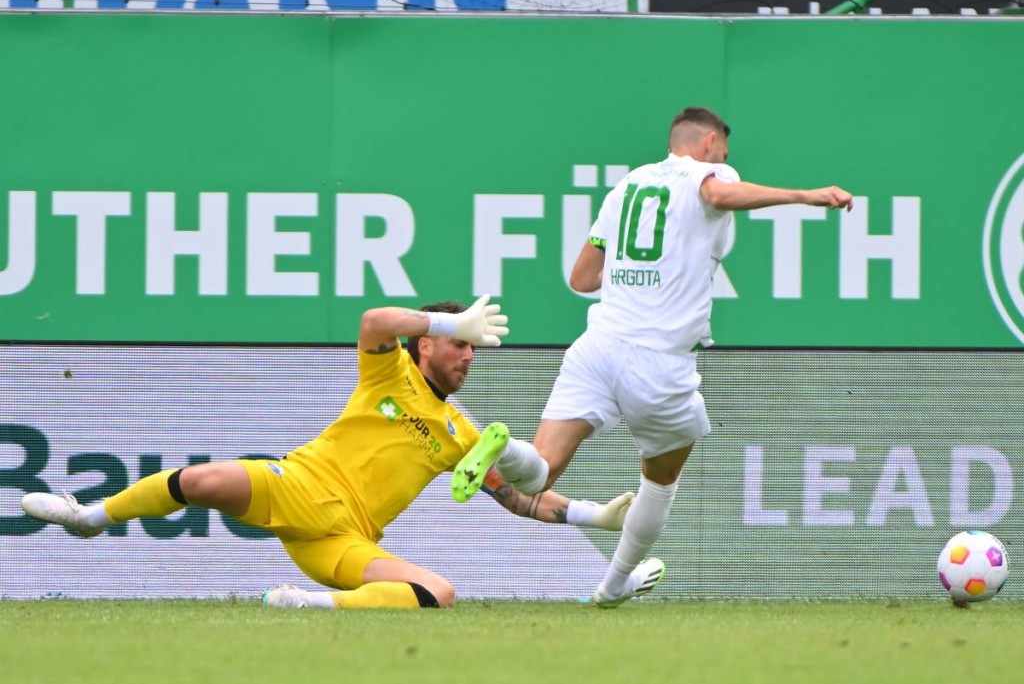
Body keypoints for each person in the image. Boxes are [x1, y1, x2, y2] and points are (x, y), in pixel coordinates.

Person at [452, 106, 854, 608]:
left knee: (539, 471)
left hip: (596, 347)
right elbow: (718, 194)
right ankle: (614, 583)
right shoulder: (708, 174)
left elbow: (581, 278)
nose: (727, 163)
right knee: (660, 481)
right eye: (724, 153)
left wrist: (642, 266)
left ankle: (503, 447)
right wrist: (805, 196)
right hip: (658, 362)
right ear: (709, 143)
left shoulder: (628, 186)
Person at [21, 296, 633, 610]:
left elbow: (517, 497)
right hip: (298, 484)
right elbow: (373, 320)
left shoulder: (463, 435)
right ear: (427, 346)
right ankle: (90, 518)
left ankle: (306, 605)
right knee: (201, 481)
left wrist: (591, 514)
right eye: (459, 347)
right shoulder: (389, 372)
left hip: (343, 541)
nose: (468, 357)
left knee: (438, 595)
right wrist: (447, 321)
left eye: (472, 350)